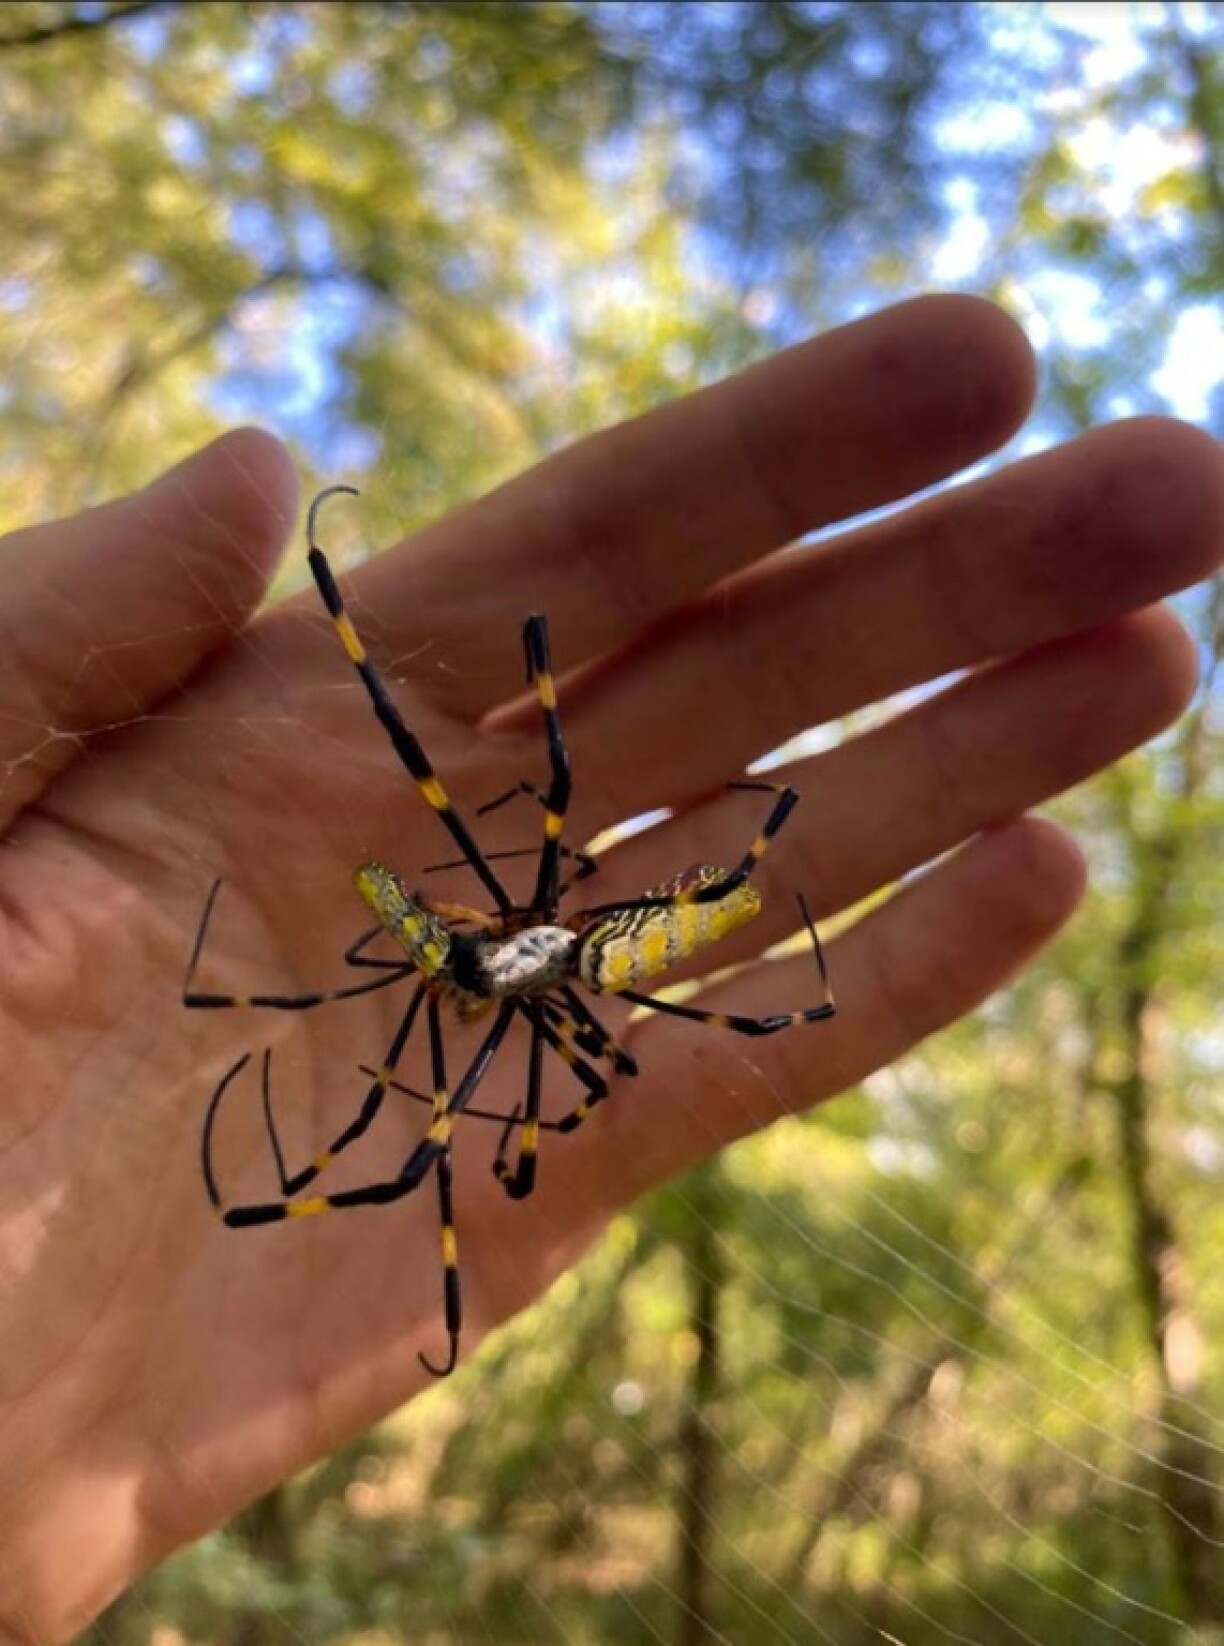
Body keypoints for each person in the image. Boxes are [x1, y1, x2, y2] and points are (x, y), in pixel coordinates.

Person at [0, 294, 1219, 1641]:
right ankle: (374, 643)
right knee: (472, 1041)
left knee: (527, 1008)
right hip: (528, 940)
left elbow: (562, 1009)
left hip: (561, 940)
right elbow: (464, 1010)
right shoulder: (491, 966)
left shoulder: (543, 970)